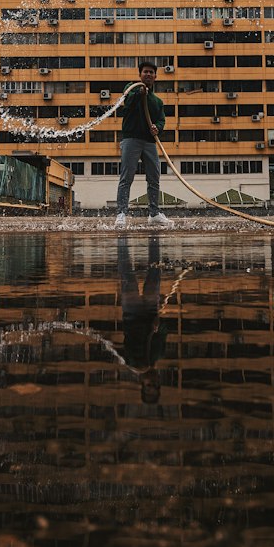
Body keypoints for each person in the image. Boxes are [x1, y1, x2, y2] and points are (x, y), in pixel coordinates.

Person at [114, 61, 170, 228]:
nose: (148, 74)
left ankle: (154, 213)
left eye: (151, 72)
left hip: (150, 142)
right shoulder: (131, 88)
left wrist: (157, 128)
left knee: (154, 178)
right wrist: (139, 93)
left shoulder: (157, 101)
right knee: (126, 177)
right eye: (145, 71)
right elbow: (127, 103)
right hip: (131, 139)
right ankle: (121, 213)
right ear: (140, 74)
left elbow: (161, 120)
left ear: (155, 76)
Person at [118, 234, 167, 403]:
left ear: (142, 384)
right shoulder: (159, 354)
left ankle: (121, 240)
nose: (153, 382)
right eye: (156, 385)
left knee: (126, 271)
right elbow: (164, 330)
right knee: (155, 271)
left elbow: (129, 348)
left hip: (132, 312)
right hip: (151, 309)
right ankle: (154, 239)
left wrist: (141, 368)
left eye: (149, 386)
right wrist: (158, 326)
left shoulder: (133, 363)